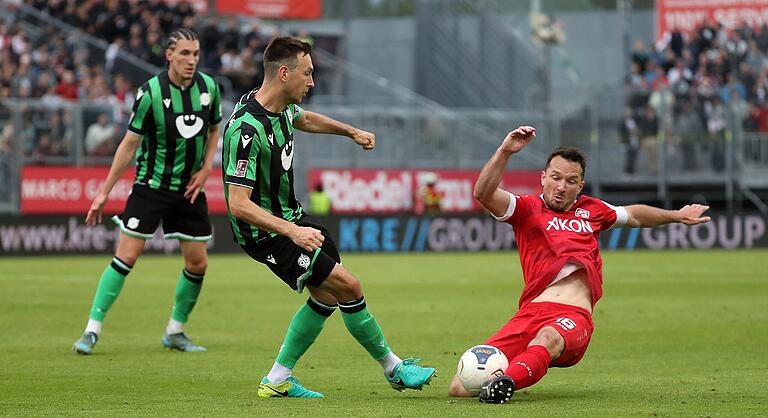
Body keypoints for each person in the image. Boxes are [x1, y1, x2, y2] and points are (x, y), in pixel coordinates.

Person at [221, 37, 436, 398]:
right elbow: (238, 204)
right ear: (284, 73)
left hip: (293, 219)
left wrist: (349, 132)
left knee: (329, 295)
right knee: (349, 286)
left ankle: (277, 379)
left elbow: (304, 119)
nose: (312, 82)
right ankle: (394, 368)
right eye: (307, 73)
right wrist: (292, 232)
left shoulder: (282, 107)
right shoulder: (246, 130)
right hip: (266, 232)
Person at [447, 126, 711, 403]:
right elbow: (484, 194)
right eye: (556, 178)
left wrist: (676, 215)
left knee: (548, 338)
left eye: (571, 181)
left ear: (580, 186)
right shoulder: (526, 208)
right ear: (543, 178)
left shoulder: (593, 210)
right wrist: (505, 152)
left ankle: (506, 383)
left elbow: (634, 215)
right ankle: (500, 379)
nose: (561, 187)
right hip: (530, 312)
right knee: (460, 386)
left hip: (572, 316)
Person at [72, 28, 222, 355]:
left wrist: (208, 166)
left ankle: (175, 331)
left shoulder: (209, 88)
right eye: (184, 53)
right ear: (169, 55)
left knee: (198, 263)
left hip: (189, 190)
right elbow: (129, 144)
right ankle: (91, 331)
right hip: (151, 186)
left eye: (195, 54)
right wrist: (103, 193)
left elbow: (213, 129)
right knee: (126, 257)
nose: (191, 60)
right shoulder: (151, 92)